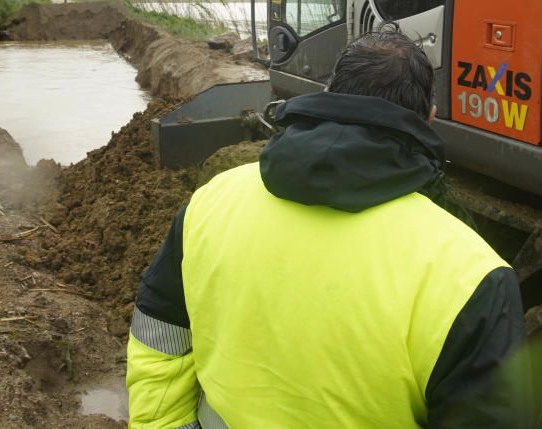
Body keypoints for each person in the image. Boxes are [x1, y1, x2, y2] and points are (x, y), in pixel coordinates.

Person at [126, 30, 532, 428]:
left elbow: (159, 337)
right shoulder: (471, 274)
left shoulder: (211, 203)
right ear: (429, 118)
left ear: (328, 95)